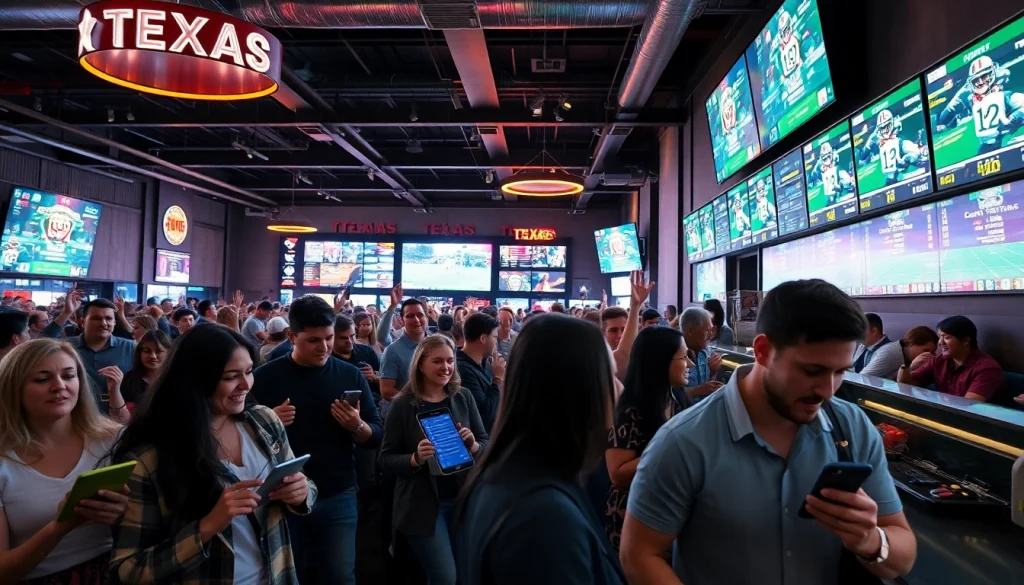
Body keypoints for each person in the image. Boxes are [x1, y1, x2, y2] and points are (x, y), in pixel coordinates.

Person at [621, 279, 916, 585]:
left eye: (840, 371)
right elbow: (639, 555)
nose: (827, 391)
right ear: (762, 351)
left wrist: (870, 540)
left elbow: (903, 556)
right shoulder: (683, 441)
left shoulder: (853, 429)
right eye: (811, 371)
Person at [110, 325, 315, 584]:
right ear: (196, 379)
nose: (245, 385)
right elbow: (129, 569)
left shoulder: (264, 422)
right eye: (230, 376)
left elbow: (305, 483)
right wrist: (207, 526)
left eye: (249, 372)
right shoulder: (150, 460)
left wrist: (301, 492)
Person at [456, 314, 625, 585]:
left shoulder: (510, 473)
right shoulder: (544, 520)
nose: (620, 388)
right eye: (611, 375)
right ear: (579, 387)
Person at [252, 296, 382, 585]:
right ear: (291, 337)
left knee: (339, 575)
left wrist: (356, 425)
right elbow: (240, 438)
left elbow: (375, 435)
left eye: (329, 338)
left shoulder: (349, 375)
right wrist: (268, 420)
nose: (324, 347)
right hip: (282, 499)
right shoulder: (265, 378)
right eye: (313, 340)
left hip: (337, 493)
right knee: (287, 575)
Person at [0, 339, 130, 584]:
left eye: (69, 376)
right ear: (13, 388)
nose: (59, 386)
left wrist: (129, 513)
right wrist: (58, 528)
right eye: (42, 379)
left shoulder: (114, 440)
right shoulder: (5, 461)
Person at [379, 335, 488, 585]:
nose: (446, 367)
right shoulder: (403, 405)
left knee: (465, 575)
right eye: (437, 361)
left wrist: (473, 445)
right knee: (445, 577)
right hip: (422, 506)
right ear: (420, 364)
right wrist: (415, 459)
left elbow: (485, 441)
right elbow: (385, 460)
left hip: (463, 501)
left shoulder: (463, 397)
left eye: (450, 361)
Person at [605, 326, 689, 552]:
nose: (689, 364)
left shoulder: (676, 397)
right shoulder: (630, 410)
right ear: (660, 361)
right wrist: (668, 448)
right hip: (635, 520)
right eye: (683, 357)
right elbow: (617, 474)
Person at [898, 315, 1003, 401]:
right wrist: (907, 365)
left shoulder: (987, 368)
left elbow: (970, 407)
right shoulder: (940, 360)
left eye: (947, 337)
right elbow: (905, 384)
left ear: (966, 340)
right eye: (940, 337)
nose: (940, 343)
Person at [62, 299, 136, 412]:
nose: (103, 323)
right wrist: (66, 313)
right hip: (74, 417)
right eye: (96, 318)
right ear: (82, 322)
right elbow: (39, 342)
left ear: (115, 322)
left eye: (109, 318)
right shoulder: (66, 347)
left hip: (117, 419)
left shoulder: (130, 348)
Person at [457, 313, 506, 433]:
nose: (496, 343)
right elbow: (484, 413)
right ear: (483, 338)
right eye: (494, 337)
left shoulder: (486, 363)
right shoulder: (462, 369)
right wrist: (498, 379)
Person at [380, 298, 428, 402]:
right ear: (402, 320)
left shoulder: (437, 345)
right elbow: (386, 391)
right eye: (410, 316)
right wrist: (419, 399)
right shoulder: (392, 351)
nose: (416, 319)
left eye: (420, 315)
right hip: (405, 413)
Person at [118, 330, 172, 412]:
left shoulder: (177, 379)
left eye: (158, 351)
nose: (153, 356)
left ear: (168, 353)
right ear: (140, 353)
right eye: (147, 351)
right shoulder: (129, 380)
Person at [679, 307, 724, 403]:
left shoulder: (707, 352)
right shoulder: (674, 355)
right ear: (691, 331)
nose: (711, 334)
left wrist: (713, 372)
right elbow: (669, 395)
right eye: (707, 330)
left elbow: (708, 387)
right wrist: (696, 391)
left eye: (712, 330)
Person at [333, 315, 382, 398]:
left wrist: (374, 377)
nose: (349, 341)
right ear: (332, 338)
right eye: (343, 338)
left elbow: (385, 382)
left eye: (352, 336)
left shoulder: (367, 351)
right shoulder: (327, 360)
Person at [852, 313, 904, 380]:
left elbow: (862, 378)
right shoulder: (864, 344)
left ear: (874, 331)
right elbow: (852, 368)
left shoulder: (887, 352)